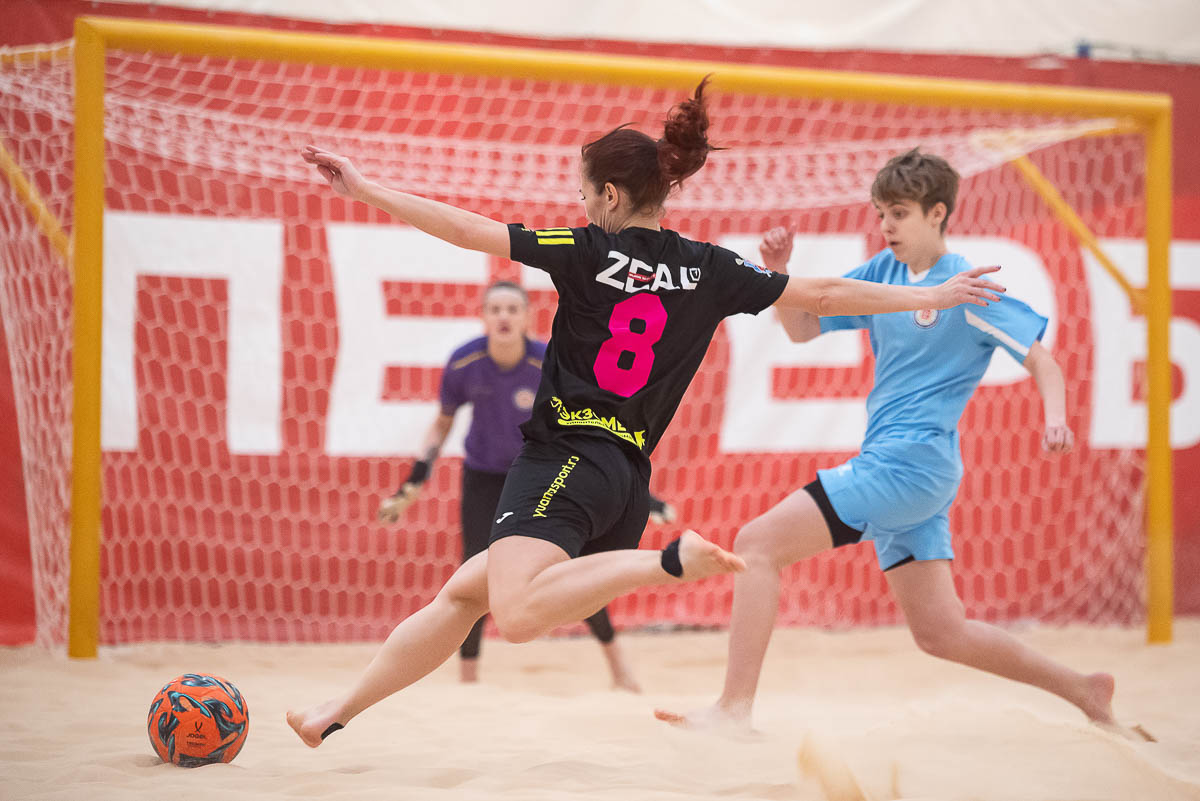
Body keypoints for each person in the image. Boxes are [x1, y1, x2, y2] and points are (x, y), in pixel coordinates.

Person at [288, 80, 1005, 748]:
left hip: (564, 457)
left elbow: (471, 231)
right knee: (463, 595)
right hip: (625, 481)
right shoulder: (710, 267)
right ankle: (335, 713)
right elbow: (820, 294)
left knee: (517, 612)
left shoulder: (586, 248)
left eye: (583, 193)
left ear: (608, 194)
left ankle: (668, 561)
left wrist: (367, 189)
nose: (581, 205)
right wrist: (927, 295)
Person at [655, 148, 1132, 737]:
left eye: (899, 213)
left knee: (757, 543)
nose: (886, 226)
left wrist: (1055, 417)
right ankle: (1084, 689)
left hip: (908, 466)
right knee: (941, 632)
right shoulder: (884, 272)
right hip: (912, 472)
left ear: (938, 214)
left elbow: (1044, 361)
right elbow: (803, 329)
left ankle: (732, 710)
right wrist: (780, 274)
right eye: (881, 213)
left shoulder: (968, 289)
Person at [378, 279, 671, 690]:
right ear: (483, 316)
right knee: (472, 572)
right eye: (495, 309)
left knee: (570, 569)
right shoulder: (464, 363)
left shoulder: (549, 362)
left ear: (527, 318)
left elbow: (593, 427)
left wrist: (642, 495)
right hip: (483, 477)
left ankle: (619, 669)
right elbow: (442, 425)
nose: (503, 316)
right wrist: (417, 475)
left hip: (541, 478)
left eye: (512, 309)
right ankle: (468, 682)